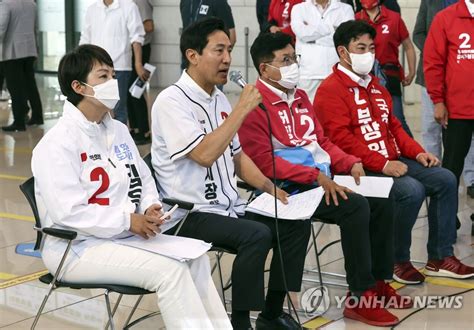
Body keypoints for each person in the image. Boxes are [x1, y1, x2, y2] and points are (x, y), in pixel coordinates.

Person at [31, 44, 231, 329]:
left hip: (121, 236)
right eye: (103, 76)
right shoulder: (56, 143)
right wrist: (128, 220)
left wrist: (150, 205)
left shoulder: (118, 130)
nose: (113, 82)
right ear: (79, 86)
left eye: (113, 74)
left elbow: (142, 177)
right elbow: (69, 213)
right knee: (170, 272)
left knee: (195, 258)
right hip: (76, 247)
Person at [240, 31, 412, 327]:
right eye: (286, 60)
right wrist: (315, 176)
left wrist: (349, 161)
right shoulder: (254, 106)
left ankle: (377, 281)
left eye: (295, 57)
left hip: (320, 180)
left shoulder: (301, 96)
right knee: (355, 206)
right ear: (264, 69)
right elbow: (263, 162)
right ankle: (359, 297)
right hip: (290, 188)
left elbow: (321, 141)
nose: (294, 64)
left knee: (384, 196)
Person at [151, 17, 310, 330]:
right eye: (219, 50)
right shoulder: (171, 101)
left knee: (294, 224)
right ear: (192, 55)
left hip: (228, 208)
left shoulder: (219, 98)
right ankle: (240, 323)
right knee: (257, 235)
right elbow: (204, 155)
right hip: (188, 212)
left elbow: (237, 156)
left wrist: (268, 187)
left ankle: (271, 314)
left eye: (229, 50)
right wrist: (240, 111)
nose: (227, 59)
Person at [315, 20, 474, 285]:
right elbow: (339, 140)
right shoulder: (330, 90)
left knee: (445, 178)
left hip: (390, 160)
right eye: (361, 48)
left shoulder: (377, 86)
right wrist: (383, 164)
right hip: (357, 169)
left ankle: (439, 257)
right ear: (343, 52)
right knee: (411, 190)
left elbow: (395, 128)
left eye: (371, 48)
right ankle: (396, 259)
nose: (369, 54)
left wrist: (418, 152)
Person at [424, 0, 474, 234]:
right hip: (457, 109)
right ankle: (445, 219)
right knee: (452, 166)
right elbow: (433, 62)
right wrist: (438, 100)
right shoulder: (446, 18)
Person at [80, 0, 149, 125]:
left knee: (118, 108)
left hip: (119, 67)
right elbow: (85, 38)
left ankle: (118, 141)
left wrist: (138, 63)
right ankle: (100, 141)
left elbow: (137, 37)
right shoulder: (92, 9)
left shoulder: (129, 6)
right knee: (96, 106)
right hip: (95, 68)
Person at [356, 0, 416, 137]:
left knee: (397, 119)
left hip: (390, 76)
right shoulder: (356, 19)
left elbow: (408, 46)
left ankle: (413, 155)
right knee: (368, 121)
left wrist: (411, 71)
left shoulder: (394, 18)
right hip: (364, 77)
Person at [291, 0, 354, 103]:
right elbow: (302, 34)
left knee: (337, 109)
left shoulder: (346, 9)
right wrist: (332, 28)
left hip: (336, 71)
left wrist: (313, 38)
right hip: (308, 73)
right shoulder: (298, 9)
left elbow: (345, 38)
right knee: (309, 112)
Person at [0, 0, 43, 131]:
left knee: (15, 88)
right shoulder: (31, 4)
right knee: (30, 85)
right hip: (29, 50)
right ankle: (37, 116)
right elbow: (35, 28)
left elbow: (1, 27)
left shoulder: (6, 4)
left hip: (13, 52)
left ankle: (19, 121)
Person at [180, 0, 236, 70]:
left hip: (209, 65)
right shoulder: (185, 2)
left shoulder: (219, 2)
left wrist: (218, 55)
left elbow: (231, 36)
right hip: (187, 61)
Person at [128, 0, 154, 145]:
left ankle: (144, 131)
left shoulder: (140, 3)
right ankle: (135, 128)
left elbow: (149, 26)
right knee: (128, 92)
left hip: (141, 50)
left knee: (135, 91)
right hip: (129, 51)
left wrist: (129, 27)